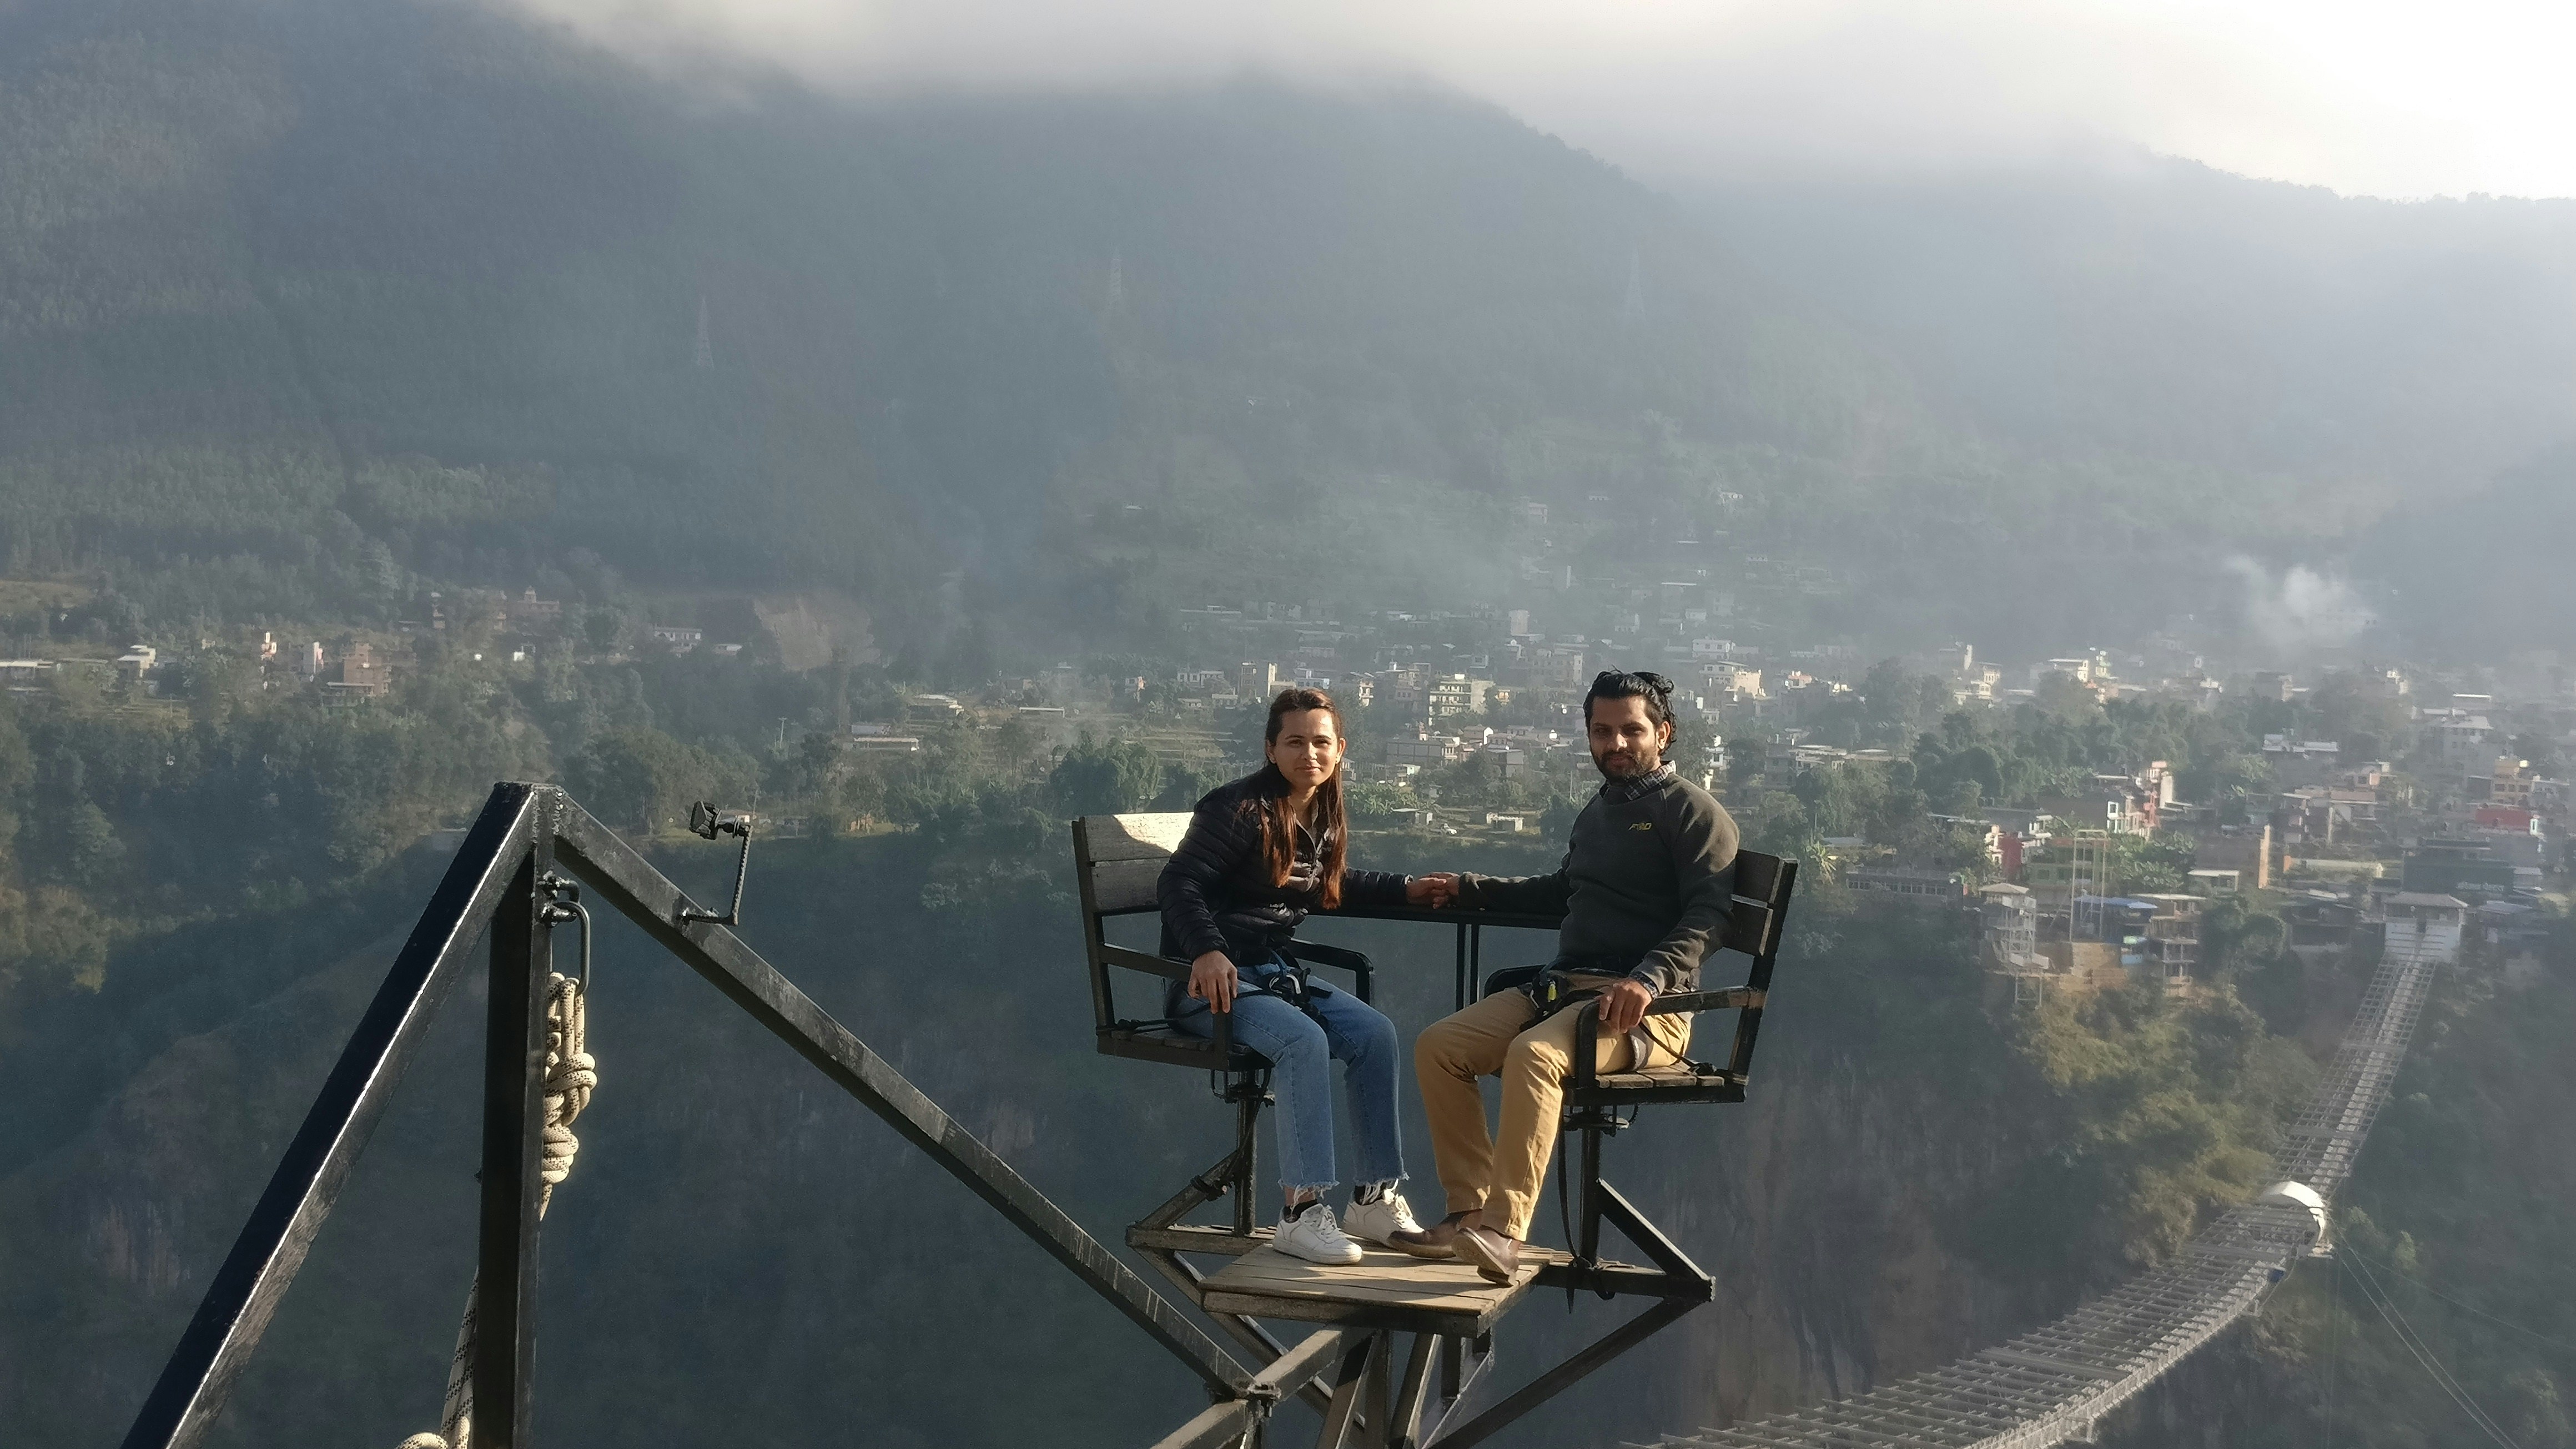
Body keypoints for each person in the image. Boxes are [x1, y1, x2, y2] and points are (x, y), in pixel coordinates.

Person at [1392, 671, 1740, 1281]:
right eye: (1602, 731)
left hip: (1646, 1014)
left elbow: (1710, 916)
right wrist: (1473, 888)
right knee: (1440, 1047)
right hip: (1563, 991)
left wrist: (1648, 979)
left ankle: (1504, 1233)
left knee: (1533, 1056)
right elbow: (1563, 891)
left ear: (1663, 733)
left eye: (1631, 730)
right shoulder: (1600, 810)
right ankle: (1468, 1213)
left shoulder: (1692, 813)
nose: (1616, 744)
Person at [1159, 687, 1448, 1265]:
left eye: (1320, 742)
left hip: (1272, 974)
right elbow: (1179, 881)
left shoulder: (1320, 811)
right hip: (1209, 985)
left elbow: (1326, 884)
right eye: (1294, 742)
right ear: (1270, 749)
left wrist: (1405, 889)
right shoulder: (1237, 809)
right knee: (1303, 1040)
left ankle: (1372, 1199)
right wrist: (1207, 951)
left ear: (1340, 749)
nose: (1308, 753)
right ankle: (1300, 1212)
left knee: (1374, 1034)